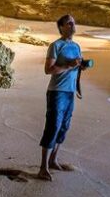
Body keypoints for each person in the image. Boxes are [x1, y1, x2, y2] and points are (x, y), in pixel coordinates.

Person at [38, 13, 85, 181]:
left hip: (70, 92)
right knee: (53, 126)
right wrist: (68, 65)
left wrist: (80, 66)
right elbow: (48, 69)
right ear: (61, 28)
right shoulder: (55, 46)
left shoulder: (77, 46)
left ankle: (53, 160)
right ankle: (43, 167)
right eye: (69, 23)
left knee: (64, 126)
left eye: (74, 23)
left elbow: (76, 68)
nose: (73, 26)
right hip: (57, 91)